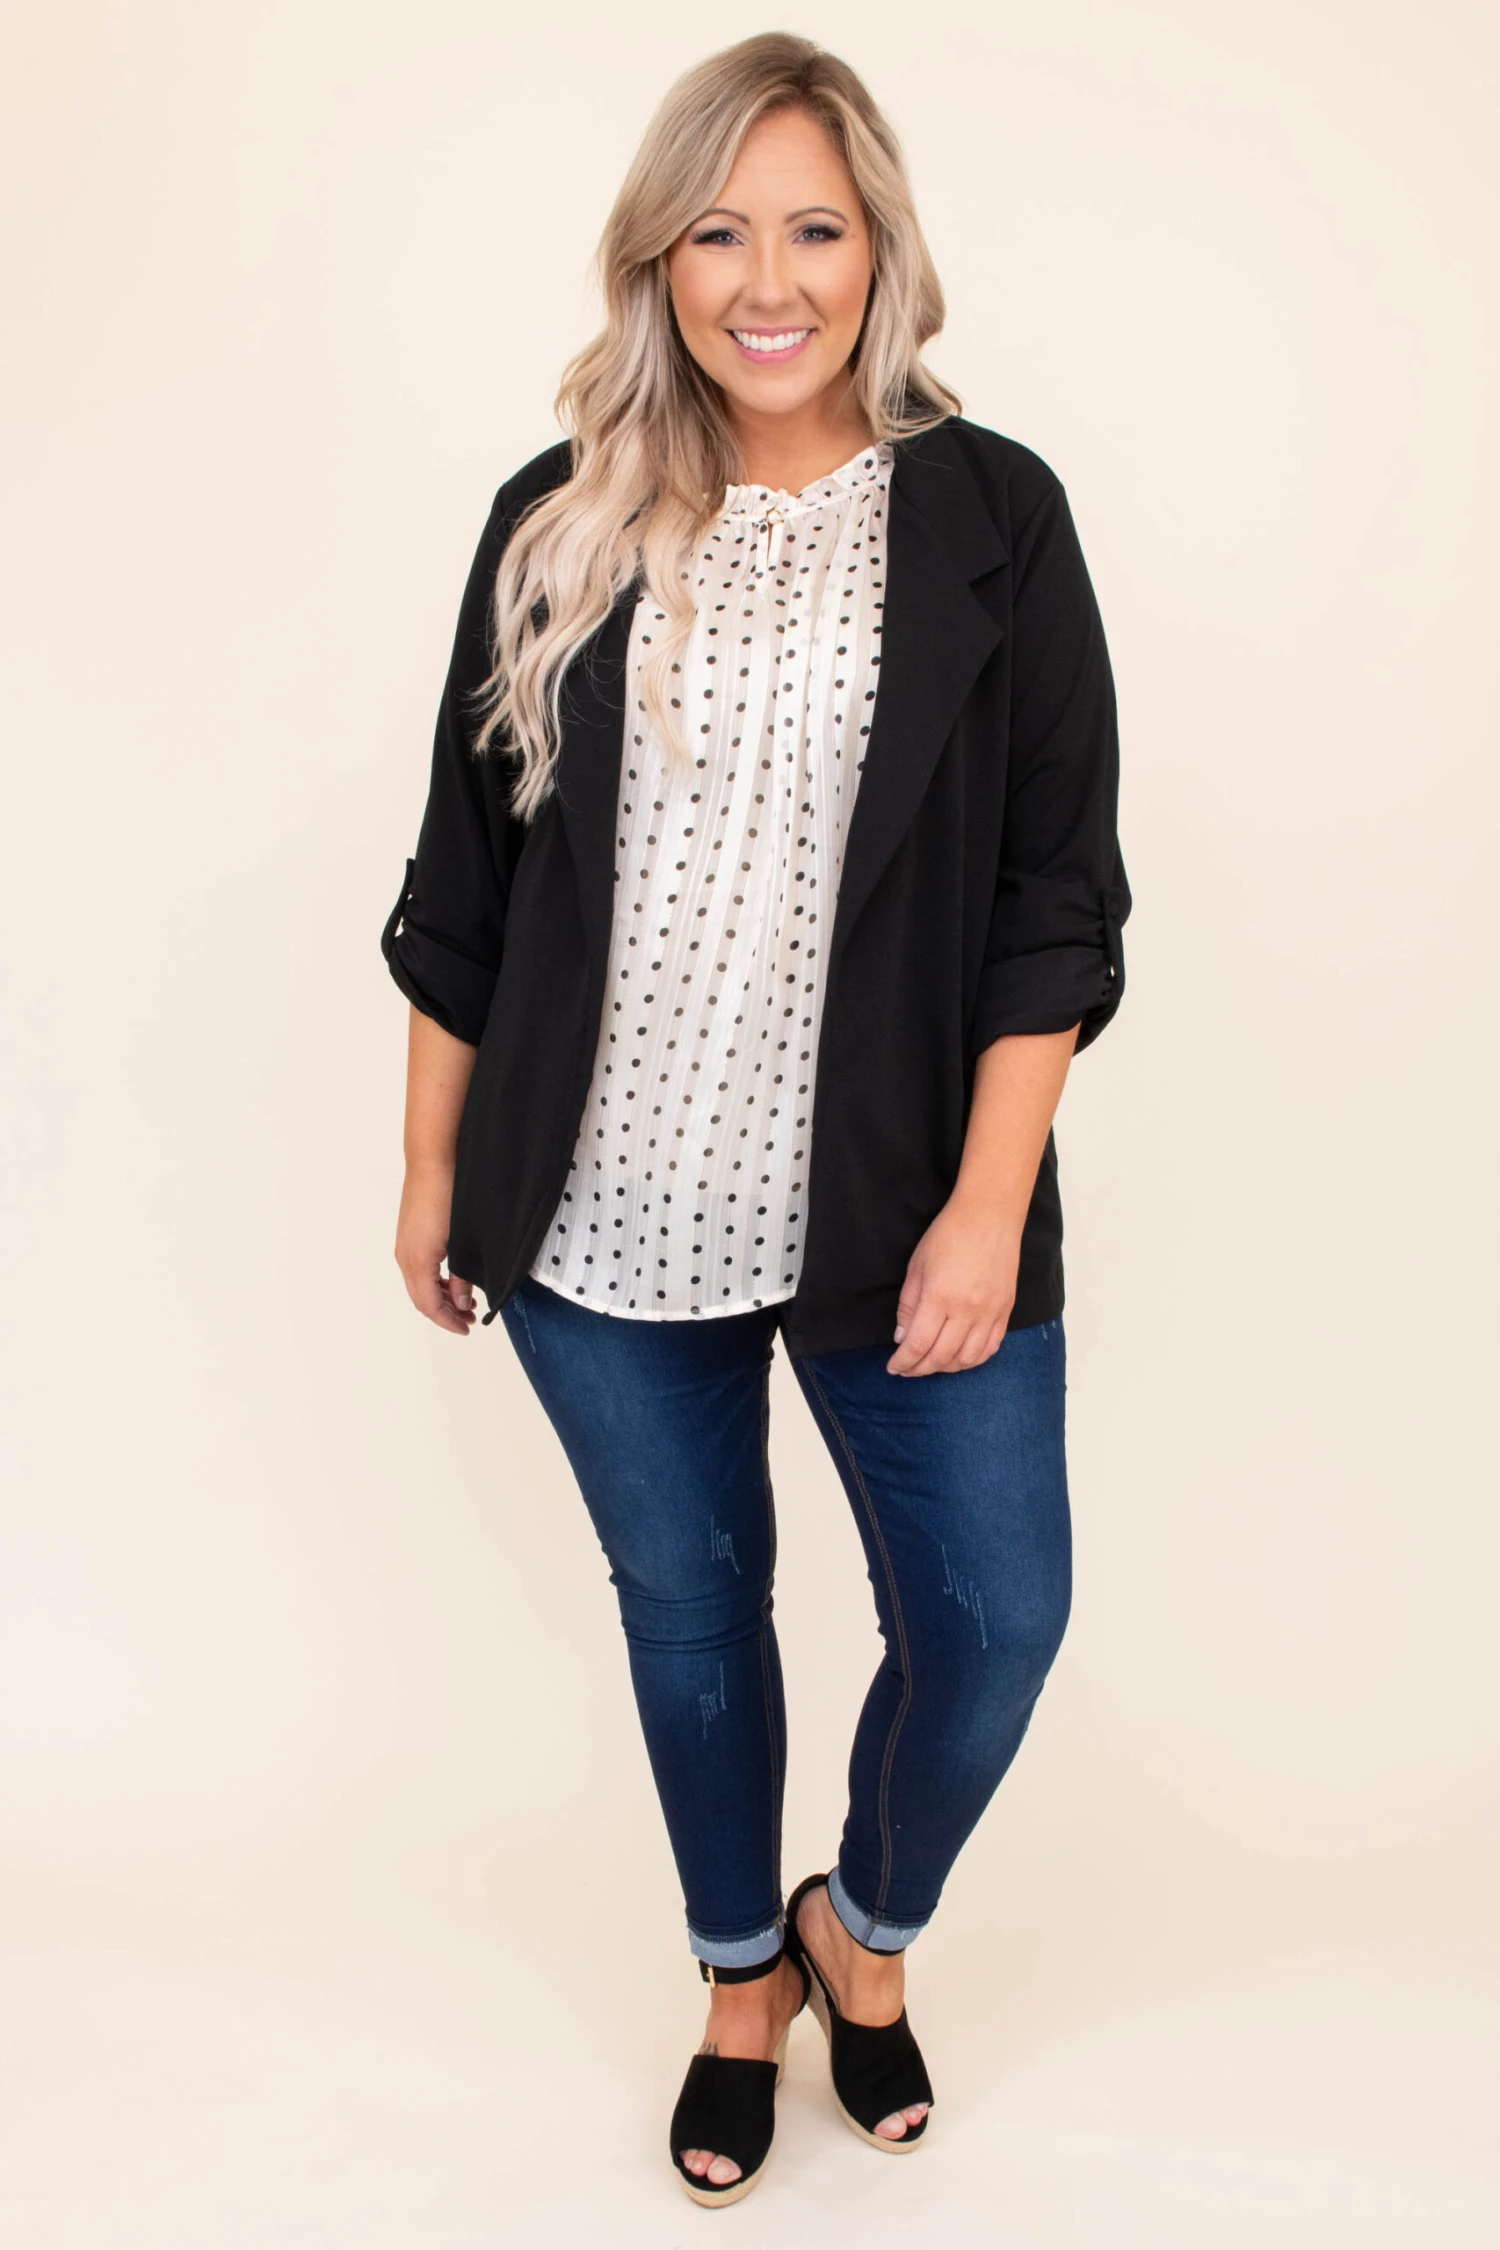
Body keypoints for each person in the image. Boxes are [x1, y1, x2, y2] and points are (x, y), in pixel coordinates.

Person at [382, 31, 1130, 2210]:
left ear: (881, 248)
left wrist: (989, 1206)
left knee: (992, 1617)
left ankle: (857, 1934)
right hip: (593, 1212)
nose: (768, 280)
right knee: (695, 1615)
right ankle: (738, 1984)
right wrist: (430, 1174)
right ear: (661, 259)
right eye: (719, 232)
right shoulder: (554, 520)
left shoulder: (995, 517)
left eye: (814, 227)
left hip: (904, 1204)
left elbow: (1054, 902)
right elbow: (464, 885)